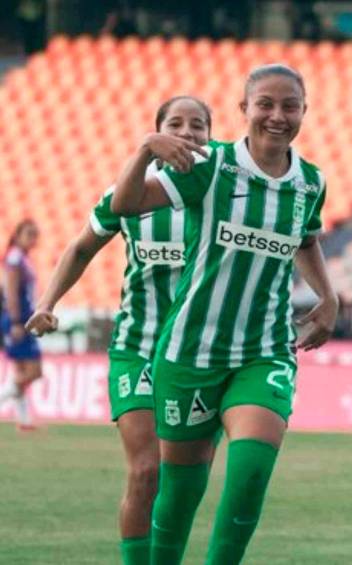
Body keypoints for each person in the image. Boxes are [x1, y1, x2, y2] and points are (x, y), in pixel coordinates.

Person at [111, 63, 338, 564]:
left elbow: (306, 238)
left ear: (304, 112)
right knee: (178, 495)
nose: (277, 116)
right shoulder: (211, 165)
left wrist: (328, 295)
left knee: (251, 471)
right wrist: (146, 149)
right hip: (190, 352)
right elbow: (126, 204)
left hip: (263, 351)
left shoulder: (311, 182)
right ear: (244, 110)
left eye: (289, 106)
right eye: (266, 105)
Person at [25, 95, 214, 565]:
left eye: (199, 125)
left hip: (199, 356)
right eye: (176, 123)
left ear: (213, 136)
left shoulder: (224, 196)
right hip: (139, 348)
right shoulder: (132, 194)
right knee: (146, 470)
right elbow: (82, 247)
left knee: (181, 479)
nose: (188, 132)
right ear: (156, 131)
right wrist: (48, 303)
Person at [0, 219, 42, 430]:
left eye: (35, 235)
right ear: (17, 235)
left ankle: (24, 420)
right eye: (29, 234)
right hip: (18, 320)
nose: (33, 239)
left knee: (20, 372)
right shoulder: (15, 259)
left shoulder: (21, 258)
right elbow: (10, 291)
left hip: (22, 318)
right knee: (34, 371)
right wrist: (16, 321)